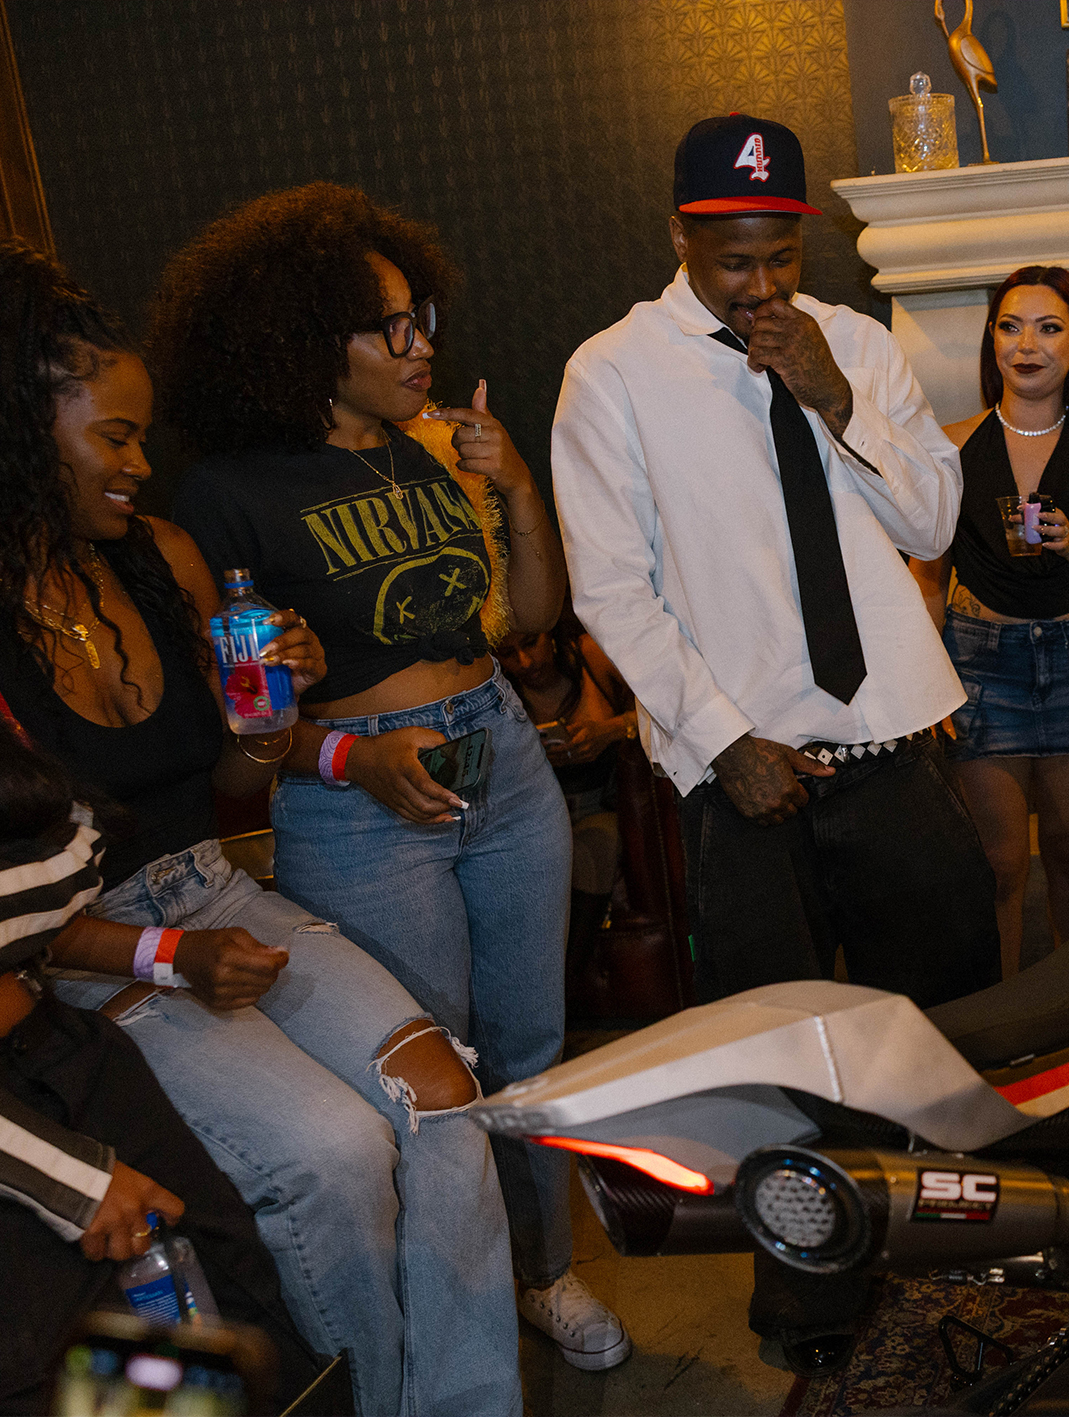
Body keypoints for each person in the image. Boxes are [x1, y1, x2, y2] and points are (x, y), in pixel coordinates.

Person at [0, 237, 520, 1415]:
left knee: (442, 1099)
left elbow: (238, 783)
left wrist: (271, 711)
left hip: (215, 892)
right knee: (333, 1156)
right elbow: (13, 915)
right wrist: (166, 957)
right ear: (28, 431)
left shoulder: (160, 559)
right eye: (115, 438)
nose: (141, 467)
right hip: (79, 955)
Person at [150, 184, 627, 1372]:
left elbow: (527, 620)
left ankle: (543, 1275)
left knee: (531, 1042)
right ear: (311, 343)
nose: (423, 349)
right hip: (364, 805)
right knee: (430, 1078)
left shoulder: (427, 455)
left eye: (426, 319)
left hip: (501, 757)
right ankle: (437, 1338)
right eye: (392, 327)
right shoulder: (227, 492)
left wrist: (513, 482)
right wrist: (351, 756)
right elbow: (241, 710)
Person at [551, 112, 999, 1373]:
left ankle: (960, 1270)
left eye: (779, 258)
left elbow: (931, 519)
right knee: (778, 1070)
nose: (760, 287)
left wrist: (832, 395)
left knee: (944, 1026)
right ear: (683, 235)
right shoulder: (613, 371)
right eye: (732, 259)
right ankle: (816, 1327)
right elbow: (614, 589)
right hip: (746, 777)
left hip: (893, 745)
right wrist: (725, 739)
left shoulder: (855, 344)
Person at [0, 733, 330, 1415]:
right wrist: (76, 1182)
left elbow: (71, 856)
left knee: (231, 1287)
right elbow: (76, 859)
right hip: (23, 1141)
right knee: (75, 1371)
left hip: (59, 1041)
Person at [909, 266, 1069, 977]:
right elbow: (927, 580)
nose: (1026, 344)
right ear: (991, 340)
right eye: (1009, 325)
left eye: (1049, 326)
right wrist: (928, 686)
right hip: (980, 664)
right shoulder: (948, 446)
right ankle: (1002, 1025)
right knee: (998, 866)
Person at [494, 612, 637, 969]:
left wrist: (609, 731)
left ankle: (566, 986)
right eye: (509, 654)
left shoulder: (591, 654)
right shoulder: (498, 691)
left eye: (531, 643)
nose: (525, 662)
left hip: (600, 806)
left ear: (550, 633)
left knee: (597, 846)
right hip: (534, 818)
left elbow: (659, 712)